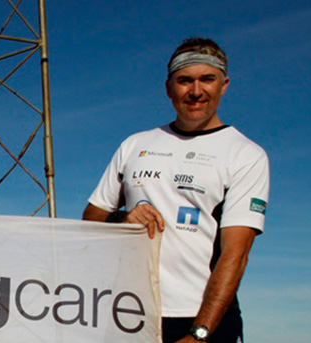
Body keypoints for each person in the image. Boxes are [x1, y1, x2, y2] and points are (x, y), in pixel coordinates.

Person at [82, 37, 269, 343]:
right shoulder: (134, 145)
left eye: (207, 79)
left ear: (224, 85)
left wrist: (200, 333)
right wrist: (123, 220)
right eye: (185, 81)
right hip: (129, 312)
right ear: (169, 88)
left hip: (201, 319)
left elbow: (235, 254)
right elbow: (89, 219)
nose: (196, 91)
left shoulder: (245, 154)